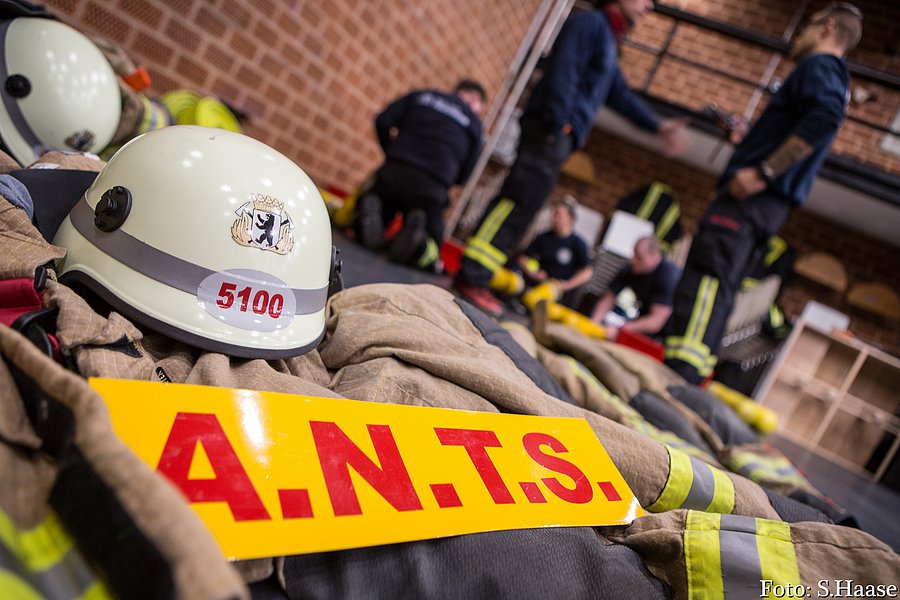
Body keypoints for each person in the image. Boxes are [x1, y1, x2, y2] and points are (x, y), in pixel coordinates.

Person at [662, 2, 863, 384]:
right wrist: (747, 140)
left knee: (707, 274)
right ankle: (690, 372)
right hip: (764, 207)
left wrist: (762, 172)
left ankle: (678, 370)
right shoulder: (831, 77)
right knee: (722, 281)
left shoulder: (819, 67)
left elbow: (824, 117)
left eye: (806, 26)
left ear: (828, 27)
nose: (799, 34)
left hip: (750, 199)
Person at [455, 0, 688, 317]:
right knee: (516, 200)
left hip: (557, 136)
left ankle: (477, 276)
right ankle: (472, 275)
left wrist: (658, 125)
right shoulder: (589, 25)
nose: (649, 7)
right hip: (550, 131)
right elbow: (562, 71)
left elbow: (619, 94)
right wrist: (561, 123)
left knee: (526, 205)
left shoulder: (607, 39)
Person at [354, 79, 486, 272]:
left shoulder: (423, 96)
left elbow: (383, 120)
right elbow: (467, 173)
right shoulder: (474, 124)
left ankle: (365, 222)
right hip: (432, 187)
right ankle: (420, 245)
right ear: (475, 101)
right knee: (433, 249)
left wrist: (392, 152)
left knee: (376, 207)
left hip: (394, 172)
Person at [590, 235, 680, 340]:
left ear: (654, 257)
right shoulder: (631, 269)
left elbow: (656, 321)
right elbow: (608, 298)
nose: (632, 260)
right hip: (644, 317)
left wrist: (620, 330)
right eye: (634, 254)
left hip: (669, 332)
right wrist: (593, 324)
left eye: (639, 257)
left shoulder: (668, 276)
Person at [516, 195, 593, 305]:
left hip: (556, 292)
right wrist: (533, 272)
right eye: (554, 214)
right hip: (536, 283)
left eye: (558, 215)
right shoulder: (544, 237)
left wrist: (566, 285)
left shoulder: (578, 243)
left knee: (535, 299)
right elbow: (522, 258)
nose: (554, 219)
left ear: (570, 219)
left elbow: (587, 272)